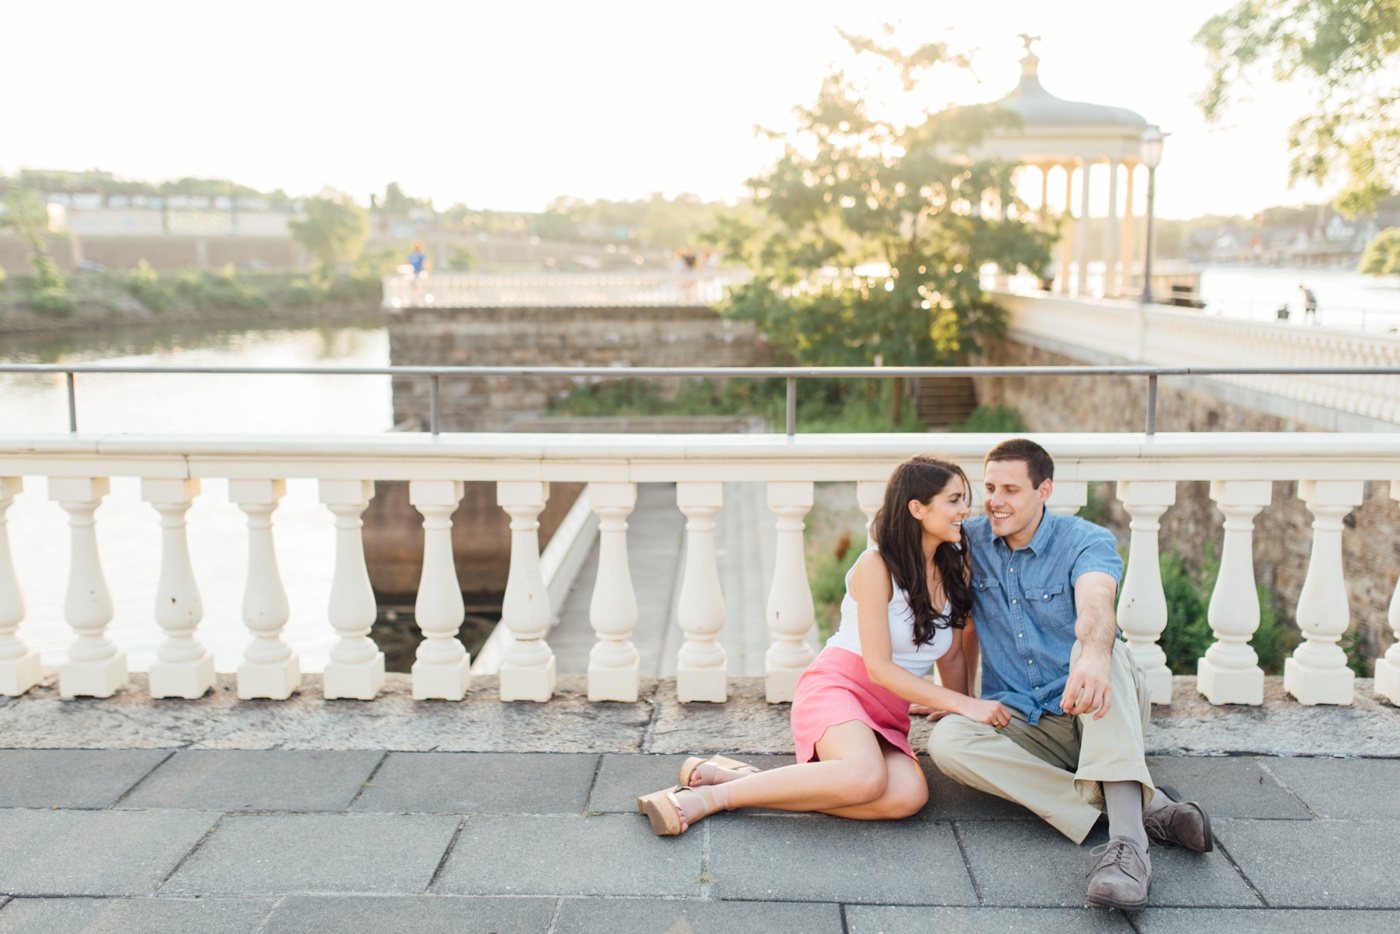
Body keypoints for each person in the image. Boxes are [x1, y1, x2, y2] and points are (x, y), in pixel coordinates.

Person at [637, 455, 1009, 836]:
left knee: (908, 796)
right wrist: (967, 703)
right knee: (865, 778)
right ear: (917, 508)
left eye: (964, 499)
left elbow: (951, 653)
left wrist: (956, 707)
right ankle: (711, 798)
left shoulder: (955, 567)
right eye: (954, 500)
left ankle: (747, 779)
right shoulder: (875, 566)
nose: (966, 510)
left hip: (888, 708)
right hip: (839, 687)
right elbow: (878, 668)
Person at [927, 438, 1212, 911]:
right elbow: (954, 622)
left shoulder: (1085, 540)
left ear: (1044, 491)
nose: (996, 501)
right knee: (948, 742)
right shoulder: (969, 543)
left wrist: (1096, 655)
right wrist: (955, 700)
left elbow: (1097, 604)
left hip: (1095, 704)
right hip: (1024, 717)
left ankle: (1127, 850)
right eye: (990, 487)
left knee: (1098, 646)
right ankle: (1147, 808)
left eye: (1011, 489)